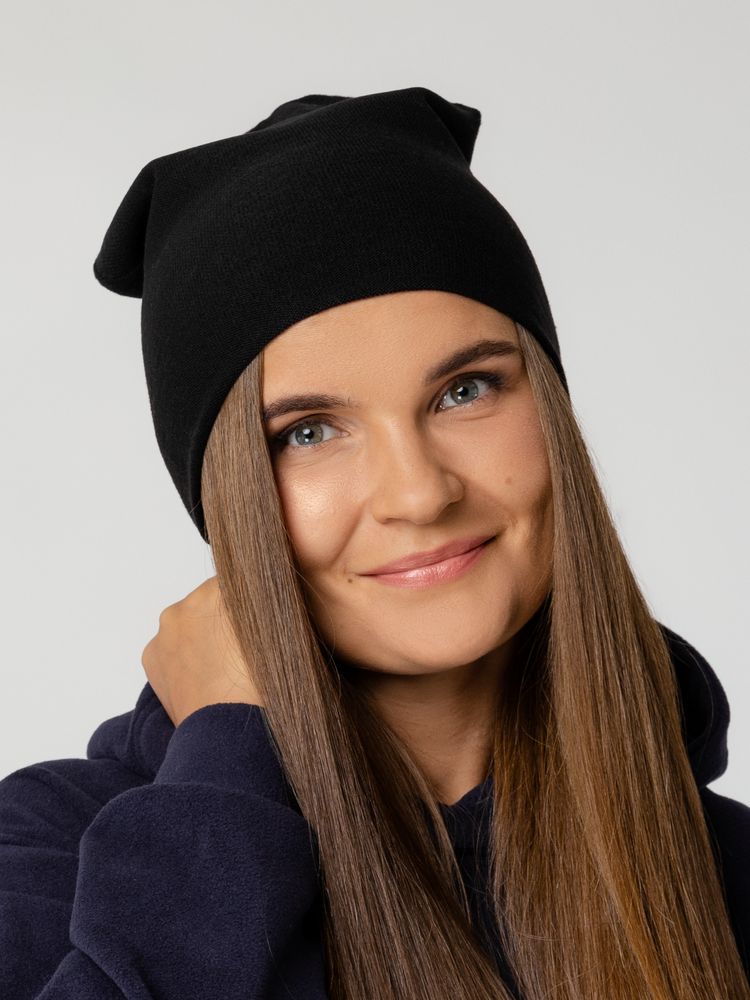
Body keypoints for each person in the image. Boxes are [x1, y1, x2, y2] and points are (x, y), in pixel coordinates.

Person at [1, 87, 748, 1000]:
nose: (420, 493)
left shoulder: (722, 874)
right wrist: (220, 786)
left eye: (466, 390)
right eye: (308, 432)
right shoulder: (52, 860)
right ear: (226, 499)